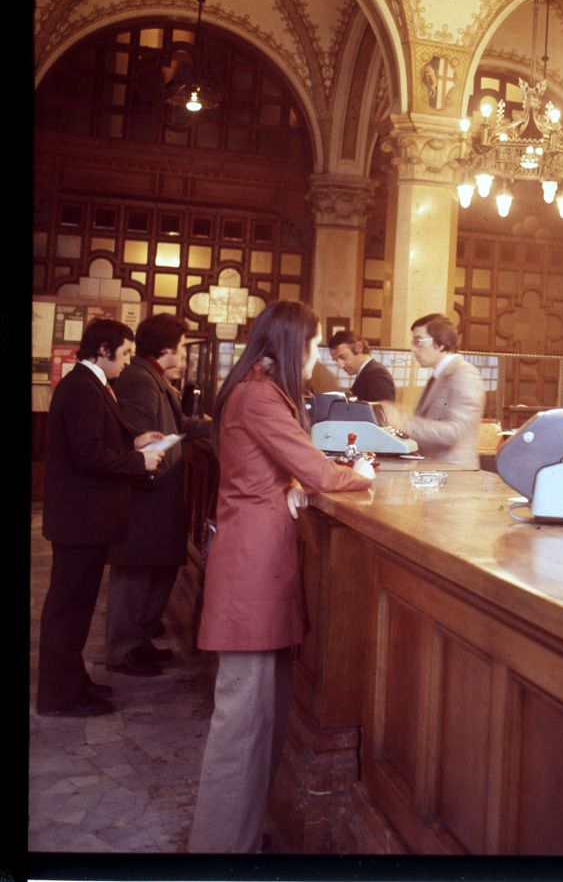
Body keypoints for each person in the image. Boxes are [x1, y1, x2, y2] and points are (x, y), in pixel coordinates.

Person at [188, 301, 375, 854]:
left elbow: (273, 471)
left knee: (262, 716)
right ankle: (218, 852)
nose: (316, 357)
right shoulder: (259, 395)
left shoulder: (254, 388)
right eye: (314, 346)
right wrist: (358, 474)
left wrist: (289, 488)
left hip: (256, 563)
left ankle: (237, 841)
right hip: (250, 570)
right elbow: (316, 468)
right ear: (293, 344)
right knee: (242, 721)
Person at [37, 319, 165, 717]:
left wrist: (132, 440)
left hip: (85, 519)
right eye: (125, 354)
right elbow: (87, 454)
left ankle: (73, 684)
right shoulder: (82, 388)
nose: (128, 362)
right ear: (104, 350)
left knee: (76, 609)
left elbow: (95, 439)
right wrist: (137, 460)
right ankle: (58, 696)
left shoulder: (90, 384)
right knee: (68, 610)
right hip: (80, 519)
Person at [106, 314, 211, 677]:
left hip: (159, 494)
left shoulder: (152, 377)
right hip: (145, 495)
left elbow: (177, 424)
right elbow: (137, 436)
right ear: (166, 348)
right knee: (134, 575)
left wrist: (218, 426)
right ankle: (122, 652)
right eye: (181, 348)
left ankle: (139, 642)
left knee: (155, 570)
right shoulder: (139, 379)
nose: (183, 356)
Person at [400, 314, 485, 466]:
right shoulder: (439, 375)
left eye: (418, 342)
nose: (413, 349)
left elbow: (456, 432)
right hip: (437, 471)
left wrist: (403, 423)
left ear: (440, 344)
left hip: (454, 476)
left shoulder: (464, 373)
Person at [327, 328, 396, 402]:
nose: (341, 365)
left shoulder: (377, 374)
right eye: (336, 360)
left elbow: (383, 411)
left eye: (343, 357)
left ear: (359, 347)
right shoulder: (367, 373)